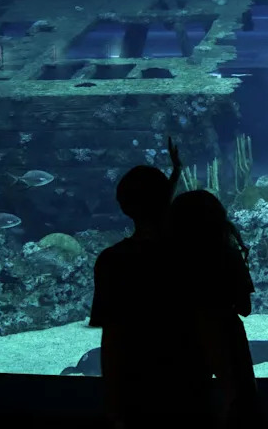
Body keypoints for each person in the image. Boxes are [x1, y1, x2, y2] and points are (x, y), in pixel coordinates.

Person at [89, 163, 214, 428]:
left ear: (123, 206)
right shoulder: (194, 255)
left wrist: (111, 400)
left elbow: (112, 334)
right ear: (169, 201)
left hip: (136, 384)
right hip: (192, 379)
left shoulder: (112, 261)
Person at [169, 189, 262, 427]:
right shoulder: (228, 256)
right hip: (227, 335)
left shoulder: (167, 258)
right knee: (239, 404)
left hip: (181, 337)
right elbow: (245, 307)